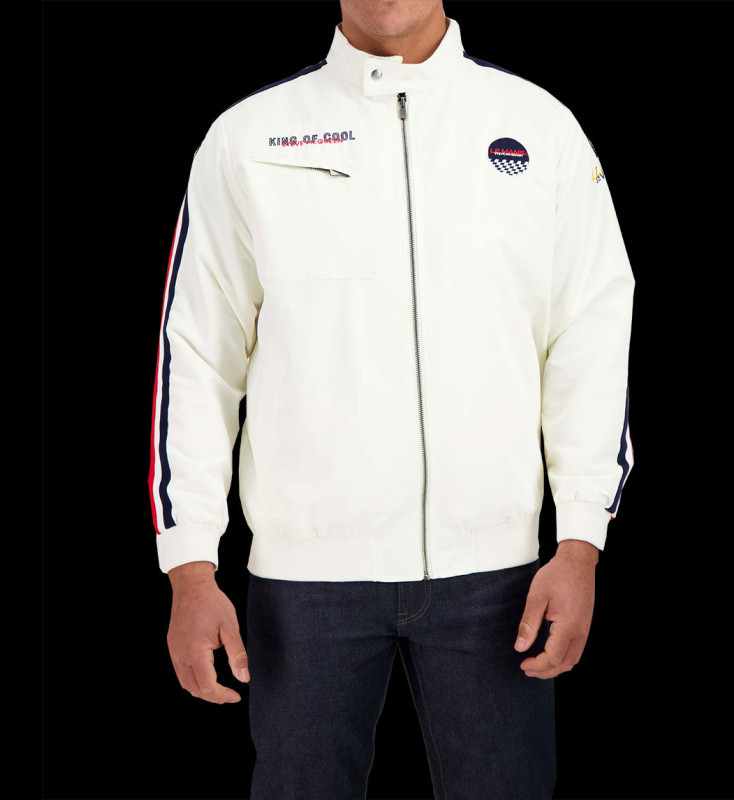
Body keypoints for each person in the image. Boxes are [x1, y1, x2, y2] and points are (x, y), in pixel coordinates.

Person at [149, 1, 635, 797]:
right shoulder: (249, 136)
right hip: (304, 584)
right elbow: (197, 356)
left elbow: (591, 336)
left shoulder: (538, 127)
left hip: (498, 579)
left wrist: (580, 541)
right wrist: (190, 566)